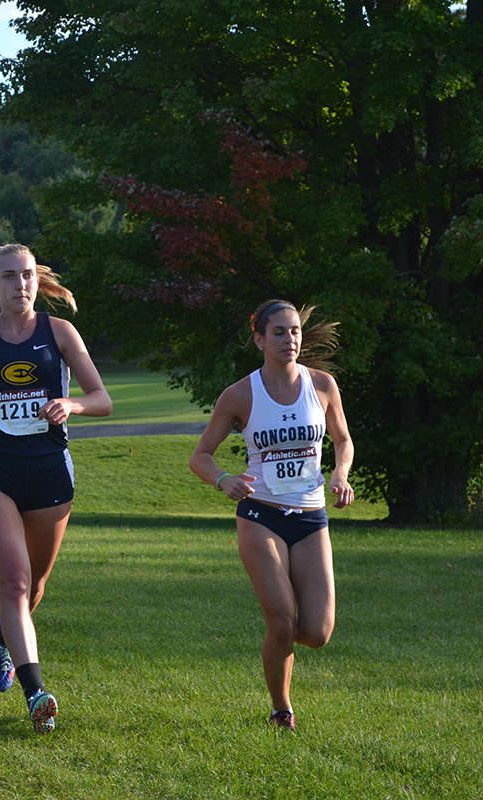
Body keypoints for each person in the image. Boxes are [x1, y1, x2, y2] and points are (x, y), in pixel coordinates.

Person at [0, 243, 112, 735]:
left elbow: (101, 398)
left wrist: (72, 405)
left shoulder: (59, 332)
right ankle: (36, 691)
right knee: (15, 583)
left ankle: (4, 634)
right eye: (10, 277)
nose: (20, 285)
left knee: (35, 586)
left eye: (27, 276)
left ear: (35, 282)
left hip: (49, 472)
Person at [189, 299, 354, 731]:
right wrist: (223, 478)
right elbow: (200, 456)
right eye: (279, 332)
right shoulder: (241, 394)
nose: (290, 339)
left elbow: (343, 441)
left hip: (311, 516)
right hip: (260, 513)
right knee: (282, 619)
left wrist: (340, 473)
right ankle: (281, 707)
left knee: (316, 632)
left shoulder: (323, 386)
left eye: (295, 330)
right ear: (259, 339)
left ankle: (278, 642)